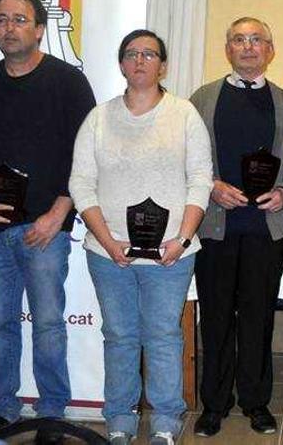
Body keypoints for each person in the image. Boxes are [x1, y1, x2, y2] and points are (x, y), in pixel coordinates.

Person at [0, 0, 96, 444]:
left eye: (19, 20)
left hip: (44, 229)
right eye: (2, 19)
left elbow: (86, 156)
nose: (9, 28)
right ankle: (1, 409)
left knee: (50, 325)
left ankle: (51, 413)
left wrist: (58, 213)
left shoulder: (68, 83)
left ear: (39, 28)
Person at [69, 29, 213, 445]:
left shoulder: (184, 114)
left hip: (171, 253)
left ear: (162, 65)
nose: (140, 61)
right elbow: (81, 183)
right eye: (132, 54)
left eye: (150, 54)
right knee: (119, 335)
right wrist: (108, 240)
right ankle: (120, 417)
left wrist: (183, 239)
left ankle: (166, 419)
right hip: (107, 251)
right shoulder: (99, 117)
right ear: (121, 64)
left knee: (164, 336)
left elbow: (200, 179)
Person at [189, 17, 283, 437]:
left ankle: (256, 402)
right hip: (215, 228)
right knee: (215, 318)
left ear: (270, 50)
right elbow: (189, 162)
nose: (249, 47)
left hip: (266, 229)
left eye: (257, 40)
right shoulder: (202, 99)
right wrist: (212, 186)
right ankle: (214, 404)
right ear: (228, 49)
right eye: (240, 39)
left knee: (258, 317)